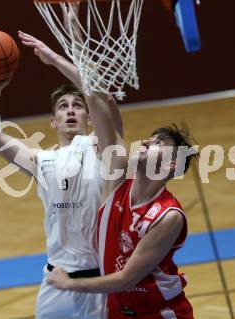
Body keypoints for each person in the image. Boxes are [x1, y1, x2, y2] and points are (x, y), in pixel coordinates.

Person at [42, 25, 198, 319]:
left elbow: (127, 278)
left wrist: (69, 284)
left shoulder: (168, 216)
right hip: (118, 311)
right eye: (150, 138)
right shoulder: (115, 181)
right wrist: (72, 37)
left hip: (160, 313)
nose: (148, 141)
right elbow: (98, 100)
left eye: (159, 144)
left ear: (171, 165)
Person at [0, 23, 124, 319]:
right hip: (56, 283)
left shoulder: (102, 148)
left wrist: (55, 59)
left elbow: (102, 98)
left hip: (102, 282)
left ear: (90, 117)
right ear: (53, 121)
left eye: (78, 106)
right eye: (63, 106)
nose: (70, 110)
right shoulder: (41, 161)